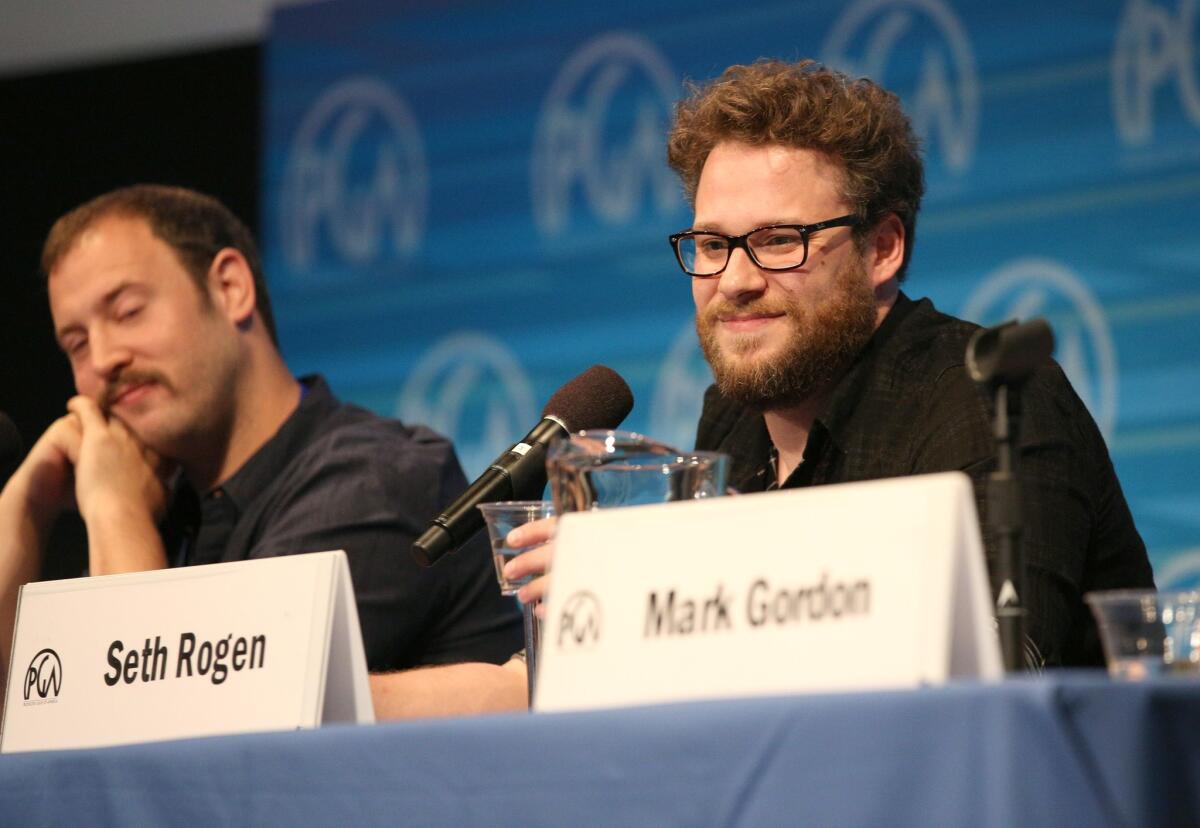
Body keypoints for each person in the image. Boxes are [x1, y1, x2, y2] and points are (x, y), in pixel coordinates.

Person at [505, 59, 1154, 668]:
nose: (734, 280)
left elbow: (993, 667)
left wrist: (682, 569)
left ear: (883, 249)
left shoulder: (988, 398)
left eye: (779, 241)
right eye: (711, 244)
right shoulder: (731, 421)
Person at [0, 185, 525, 715]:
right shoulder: (165, 504)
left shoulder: (372, 482)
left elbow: (155, 733)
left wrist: (115, 510)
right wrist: (22, 506)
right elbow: (30, 730)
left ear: (230, 287)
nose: (105, 359)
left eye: (128, 312)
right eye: (77, 344)